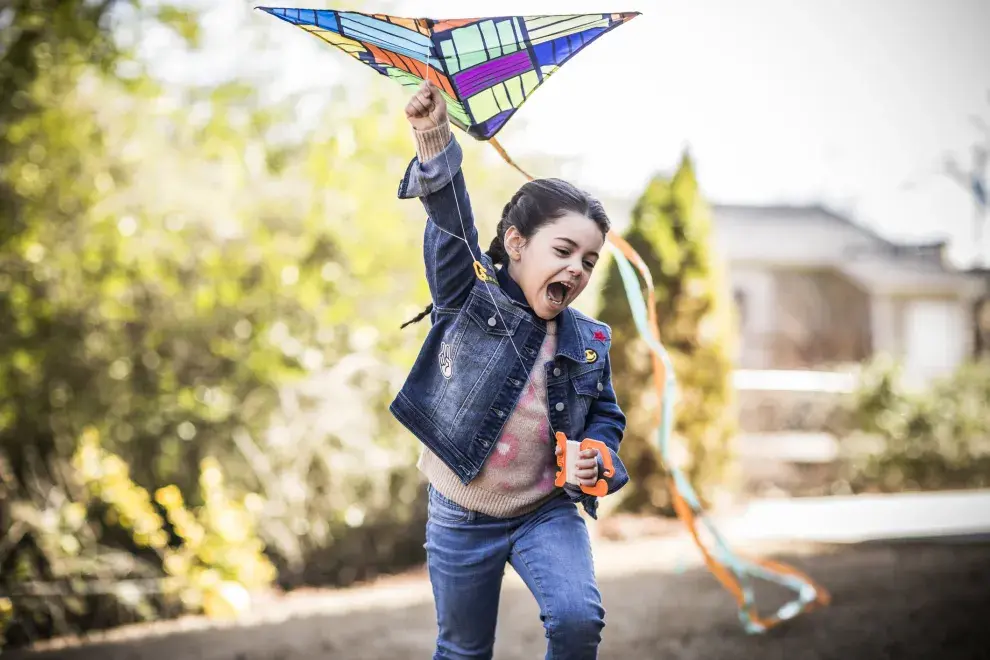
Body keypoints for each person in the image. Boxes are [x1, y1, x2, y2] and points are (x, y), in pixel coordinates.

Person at [390, 79, 629, 660]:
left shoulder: (589, 339)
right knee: (464, 649)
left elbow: (604, 413)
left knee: (577, 620)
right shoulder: (468, 301)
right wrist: (432, 135)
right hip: (460, 513)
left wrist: (599, 448)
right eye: (564, 250)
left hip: (544, 509)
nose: (577, 269)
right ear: (517, 244)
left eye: (589, 261)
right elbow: (451, 229)